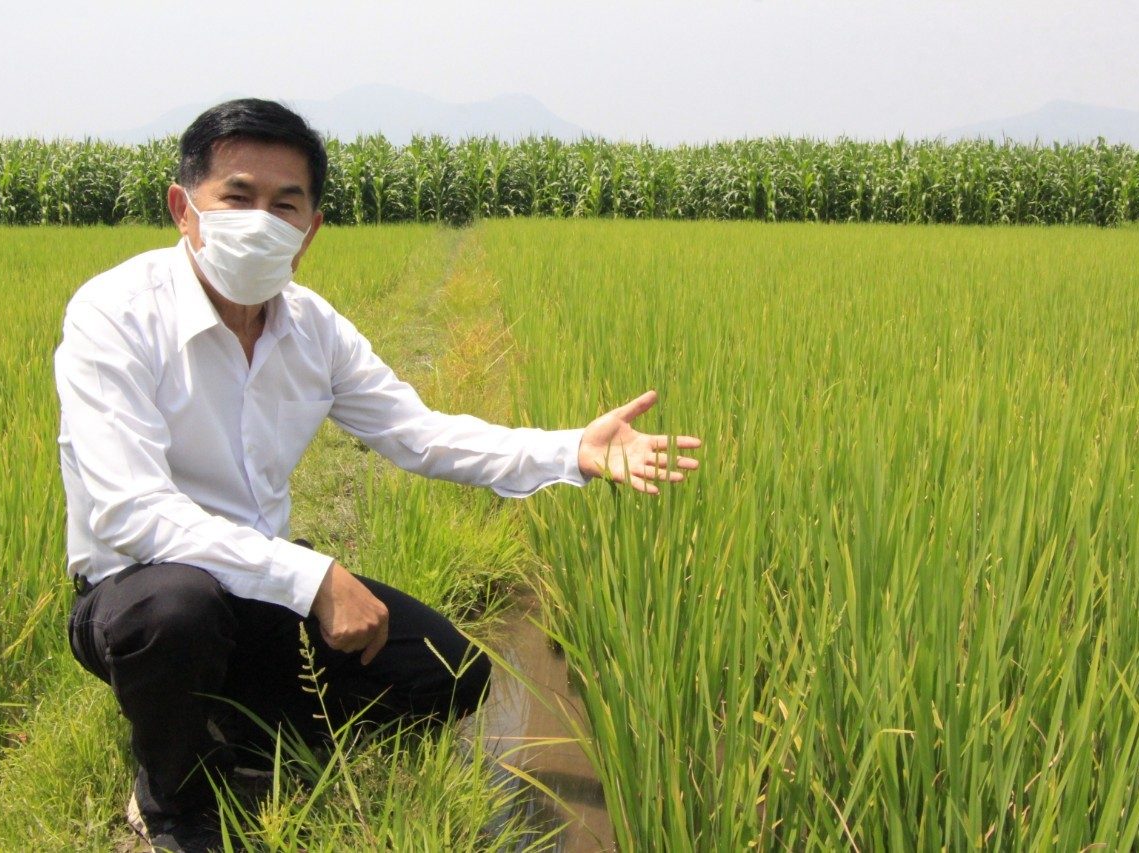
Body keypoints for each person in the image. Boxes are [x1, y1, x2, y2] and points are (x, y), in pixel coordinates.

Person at [55, 98, 701, 852]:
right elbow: (132, 511)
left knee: (449, 673)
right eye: (237, 196)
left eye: (284, 204)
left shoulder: (313, 329)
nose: (260, 220)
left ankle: (236, 722)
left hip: (259, 587)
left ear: (310, 230)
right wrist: (314, 578)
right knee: (178, 610)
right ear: (183, 208)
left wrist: (572, 452)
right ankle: (173, 799)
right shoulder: (115, 315)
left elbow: (418, 434)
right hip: (136, 593)